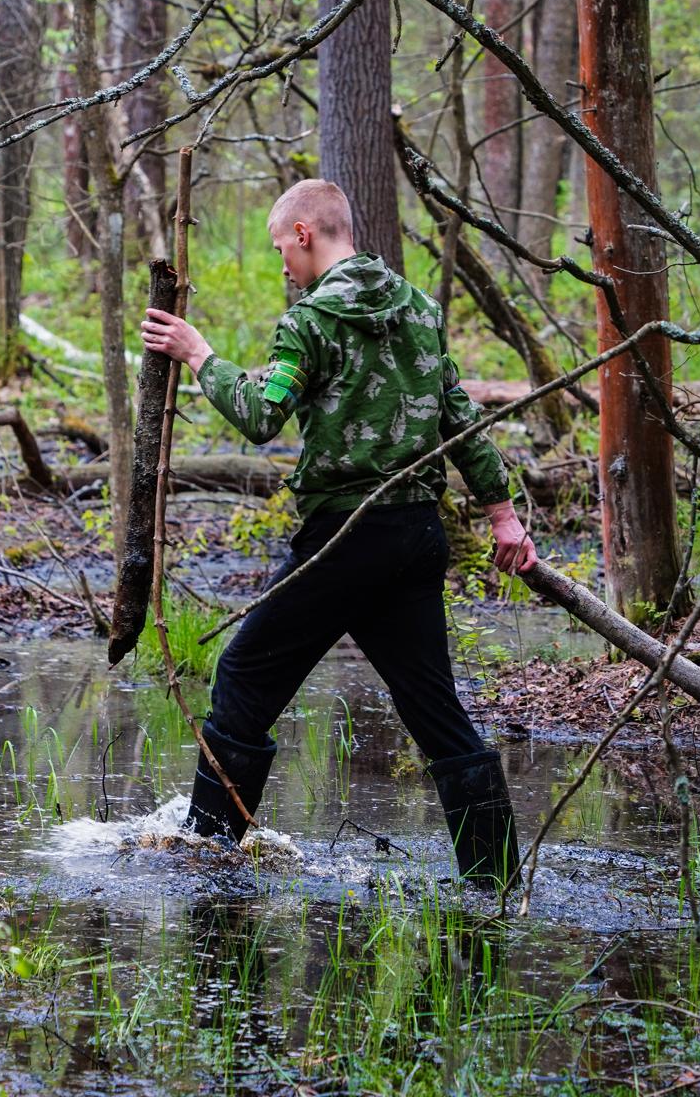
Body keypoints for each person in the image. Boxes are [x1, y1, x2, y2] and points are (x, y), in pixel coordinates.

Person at [139, 178, 539, 887]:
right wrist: (501, 513)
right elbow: (458, 415)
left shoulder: (311, 321)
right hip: (416, 537)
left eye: (279, 250)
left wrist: (199, 354)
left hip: (344, 537)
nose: (282, 267)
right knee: (436, 712)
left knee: (242, 676)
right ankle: (498, 880)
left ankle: (205, 861)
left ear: (303, 232)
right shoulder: (418, 308)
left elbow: (263, 416)